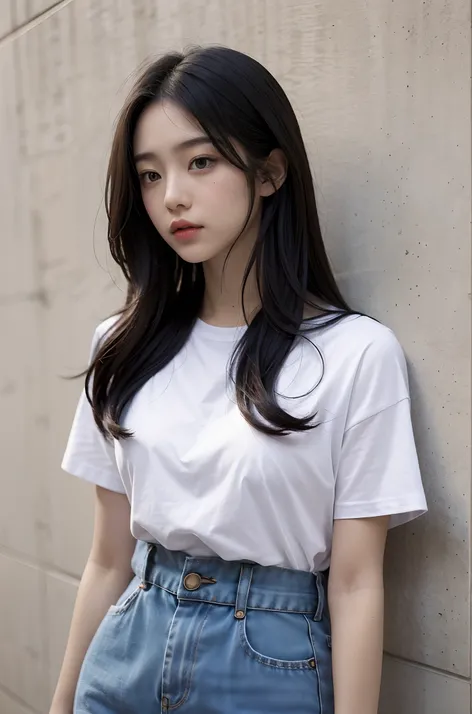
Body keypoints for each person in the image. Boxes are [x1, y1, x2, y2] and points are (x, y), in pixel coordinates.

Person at [50, 45, 427, 714]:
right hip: (125, 653)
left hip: (265, 666)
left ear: (270, 172)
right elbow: (109, 558)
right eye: (148, 174)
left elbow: (358, 581)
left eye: (200, 162)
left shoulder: (356, 355)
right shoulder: (122, 345)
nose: (172, 196)